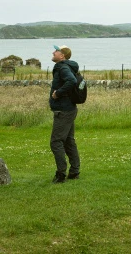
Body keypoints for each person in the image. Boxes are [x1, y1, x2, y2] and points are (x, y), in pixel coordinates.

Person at [49, 44, 81, 183]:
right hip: (69, 109)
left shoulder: (62, 67)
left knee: (56, 142)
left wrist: (58, 93)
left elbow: (72, 81)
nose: (53, 52)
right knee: (68, 141)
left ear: (62, 56)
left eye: (56, 51)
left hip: (63, 110)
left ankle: (61, 174)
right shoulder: (67, 67)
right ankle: (74, 171)